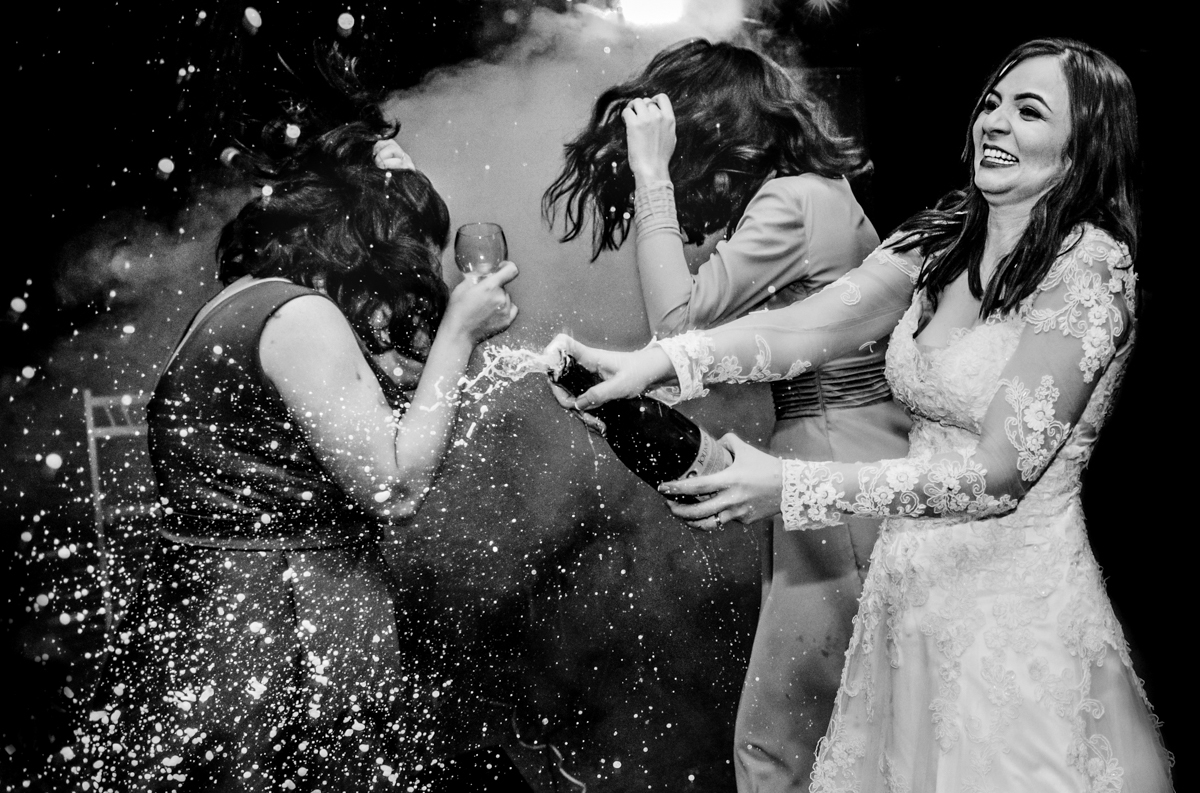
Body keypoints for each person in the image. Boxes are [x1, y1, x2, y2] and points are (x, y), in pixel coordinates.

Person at [548, 38, 1173, 790]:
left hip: (1013, 615)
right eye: (993, 103)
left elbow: (999, 473)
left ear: (1083, 148)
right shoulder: (943, 237)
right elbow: (801, 329)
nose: (995, 123)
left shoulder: (1091, 269)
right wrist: (651, 366)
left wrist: (794, 486)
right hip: (905, 598)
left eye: (1029, 111)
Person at [70, 120, 519, 792]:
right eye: (409, 245)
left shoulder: (253, 301)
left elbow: (371, 431)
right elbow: (395, 488)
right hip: (287, 633)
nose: (415, 268)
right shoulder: (299, 315)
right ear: (366, 240)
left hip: (239, 634)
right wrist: (456, 331)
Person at [543, 39, 911, 788]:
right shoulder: (816, 195)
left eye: (681, 160)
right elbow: (713, 351)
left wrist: (651, 176)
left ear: (716, 140)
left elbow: (677, 323)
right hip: (837, 447)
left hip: (833, 460)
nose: (687, 197)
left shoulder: (794, 200)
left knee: (785, 741)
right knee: (852, 717)